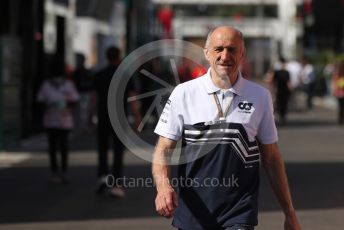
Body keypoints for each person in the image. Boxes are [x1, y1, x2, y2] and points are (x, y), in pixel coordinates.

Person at [152, 26, 300, 230]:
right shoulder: (183, 93)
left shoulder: (259, 96)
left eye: (232, 49)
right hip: (193, 213)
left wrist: (289, 213)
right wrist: (163, 187)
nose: (225, 56)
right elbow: (164, 148)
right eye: (218, 49)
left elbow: (272, 159)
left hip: (238, 213)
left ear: (242, 53)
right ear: (206, 52)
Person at [93, 46, 141, 197]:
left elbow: (93, 99)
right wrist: (137, 119)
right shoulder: (125, 76)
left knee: (102, 148)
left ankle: (102, 178)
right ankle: (117, 183)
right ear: (119, 57)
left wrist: (89, 117)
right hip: (120, 118)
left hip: (103, 116)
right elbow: (133, 101)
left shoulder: (99, 75)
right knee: (118, 151)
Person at [37, 61, 80, 183]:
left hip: (61, 118)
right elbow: (40, 101)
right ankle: (58, 171)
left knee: (60, 146)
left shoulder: (66, 84)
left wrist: (65, 105)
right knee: (56, 146)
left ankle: (60, 171)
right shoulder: (49, 85)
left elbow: (75, 100)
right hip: (53, 118)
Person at [272, 57, 292, 124]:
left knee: (283, 103)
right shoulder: (278, 72)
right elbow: (274, 81)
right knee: (280, 103)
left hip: (283, 90)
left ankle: (282, 115)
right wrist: (273, 89)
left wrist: (290, 88)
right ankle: (282, 115)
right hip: (280, 89)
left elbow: (288, 82)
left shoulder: (286, 72)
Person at [332, 60, 344, 125]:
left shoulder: (337, 73)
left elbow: (334, 83)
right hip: (341, 91)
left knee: (340, 107)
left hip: (339, 93)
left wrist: (334, 91)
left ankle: (340, 120)